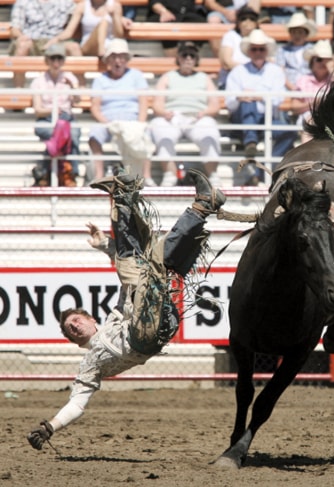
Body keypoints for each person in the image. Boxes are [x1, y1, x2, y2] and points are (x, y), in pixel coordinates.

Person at [26, 169, 227, 450]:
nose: (73, 326)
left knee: (148, 259)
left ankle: (186, 204)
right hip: (144, 333)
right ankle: (127, 195)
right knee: (146, 263)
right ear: (75, 340)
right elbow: (78, 402)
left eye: (74, 320)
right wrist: (50, 427)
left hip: (156, 319)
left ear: (90, 319)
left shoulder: (117, 314)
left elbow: (127, 263)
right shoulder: (90, 365)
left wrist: (104, 246)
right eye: (70, 329)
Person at [225, 29, 297, 184]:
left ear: (266, 51)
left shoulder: (275, 71)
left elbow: (278, 100)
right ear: (249, 51)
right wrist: (242, 97)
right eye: (254, 49)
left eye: (261, 49)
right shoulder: (238, 71)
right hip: (244, 120)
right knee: (246, 102)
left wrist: (256, 96)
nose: (257, 52)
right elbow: (230, 103)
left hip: (267, 119)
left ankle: (256, 168)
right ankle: (251, 142)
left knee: (290, 132)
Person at [150, 42, 222, 187]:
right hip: (172, 117)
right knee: (161, 131)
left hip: (198, 117)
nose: (188, 58)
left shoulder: (204, 78)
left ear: (196, 59)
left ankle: (212, 175)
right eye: (185, 55)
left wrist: (205, 113)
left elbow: (215, 106)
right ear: (179, 58)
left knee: (210, 133)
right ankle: (169, 175)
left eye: (192, 55)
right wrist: (164, 113)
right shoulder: (168, 77)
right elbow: (157, 104)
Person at [87, 38, 154, 183]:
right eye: (114, 57)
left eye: (121, 57)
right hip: (107, 119)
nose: (118, 61)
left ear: (126, 59)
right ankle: (99, 175)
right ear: (109, 60)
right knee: (94, 134)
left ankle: (146, 176)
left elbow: (143, 102)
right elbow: (95, 107)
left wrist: (140, 123)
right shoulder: (100, 80)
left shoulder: (136, 75)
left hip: (132, 117)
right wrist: (108, 123)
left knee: (144, 132)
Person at [30, 43, 81, 187]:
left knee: (72, 133)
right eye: (53, 59)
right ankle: (68, 173)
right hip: (45, 119)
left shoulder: (70, 79)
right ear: (47, 60)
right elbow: (38, 109)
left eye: (59, 58)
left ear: (63, 61)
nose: (56, 62)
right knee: (66, 135)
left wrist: (73, 88)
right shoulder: (38, 81)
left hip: (65, 119)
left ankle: (45, 173)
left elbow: (77, 102)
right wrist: (54, 111)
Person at [8, 0, 81, 88]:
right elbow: (15, 29)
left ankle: (81, 88)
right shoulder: (23, 2)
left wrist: (57, 39)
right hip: (32, 41)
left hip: (57, 40)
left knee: (74, 47)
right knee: (22, 45)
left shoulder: (66, 2)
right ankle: (18, 91)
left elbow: (81, 12)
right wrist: (22, 37)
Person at [45, 0, 131, 59]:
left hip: (111, 46)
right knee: (103, 22)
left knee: (104, 23)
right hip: (89, 46)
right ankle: (102, 53)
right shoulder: (82, 6)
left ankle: (103, 52)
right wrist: (56, 39)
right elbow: (69, 31)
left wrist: (114, 16)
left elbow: (119, 35)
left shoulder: (115, 6)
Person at [291, 40, 334, 143]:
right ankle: (308, 157)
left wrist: (332, 69)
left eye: (326, 60)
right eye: (319, 59)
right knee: (309, 120)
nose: (322, 63)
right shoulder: (303, 80)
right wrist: (315, 103)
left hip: (333, 116)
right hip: (309, 117)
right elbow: (294, 107)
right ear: (311, 62)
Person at [217, 6, 259, 89]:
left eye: (252, 19)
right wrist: (251, 70)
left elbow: (269, 62)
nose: (248, 22)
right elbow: (227, 63)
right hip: (231, 82)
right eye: (243, 19)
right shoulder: (230, 36)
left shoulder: (262, 38)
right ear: (238, 22)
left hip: (256, 83)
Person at [275, 11, 317, 91]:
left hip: (310, 87)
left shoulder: (313, 49)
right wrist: (291, 87)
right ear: (290, 33)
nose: (297, 35)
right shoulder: (282, 50)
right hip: (288, 88)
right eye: (294, 32)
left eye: (300, 32)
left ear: (306, 34)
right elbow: (280, 71)